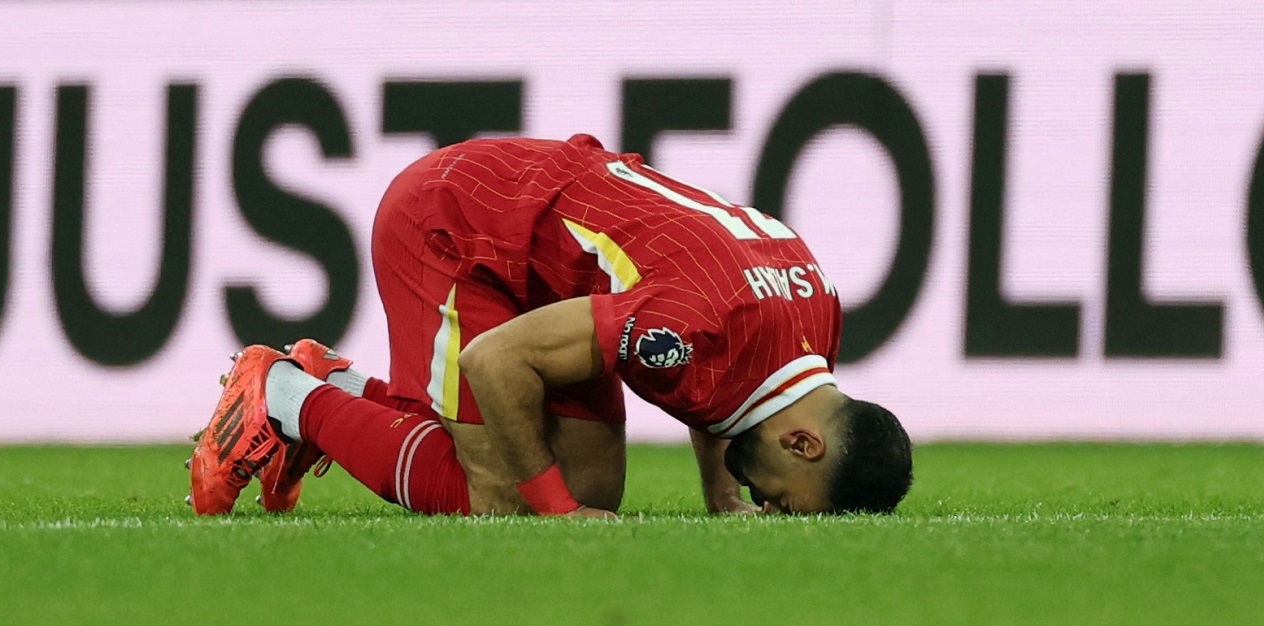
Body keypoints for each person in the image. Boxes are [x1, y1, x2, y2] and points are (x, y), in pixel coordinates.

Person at [188, 134, 913, 518]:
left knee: (592, 484)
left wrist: (721, 497)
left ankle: (336, 382)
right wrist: (555, 512)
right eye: (784, 501)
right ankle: (285, 394)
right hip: (453, 225)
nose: (768, 503)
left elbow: (726, 377)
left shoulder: (813, 317)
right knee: (503, 494)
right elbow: (499, 361)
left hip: (541, 242)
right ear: (804, 441)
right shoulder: (682, 327)